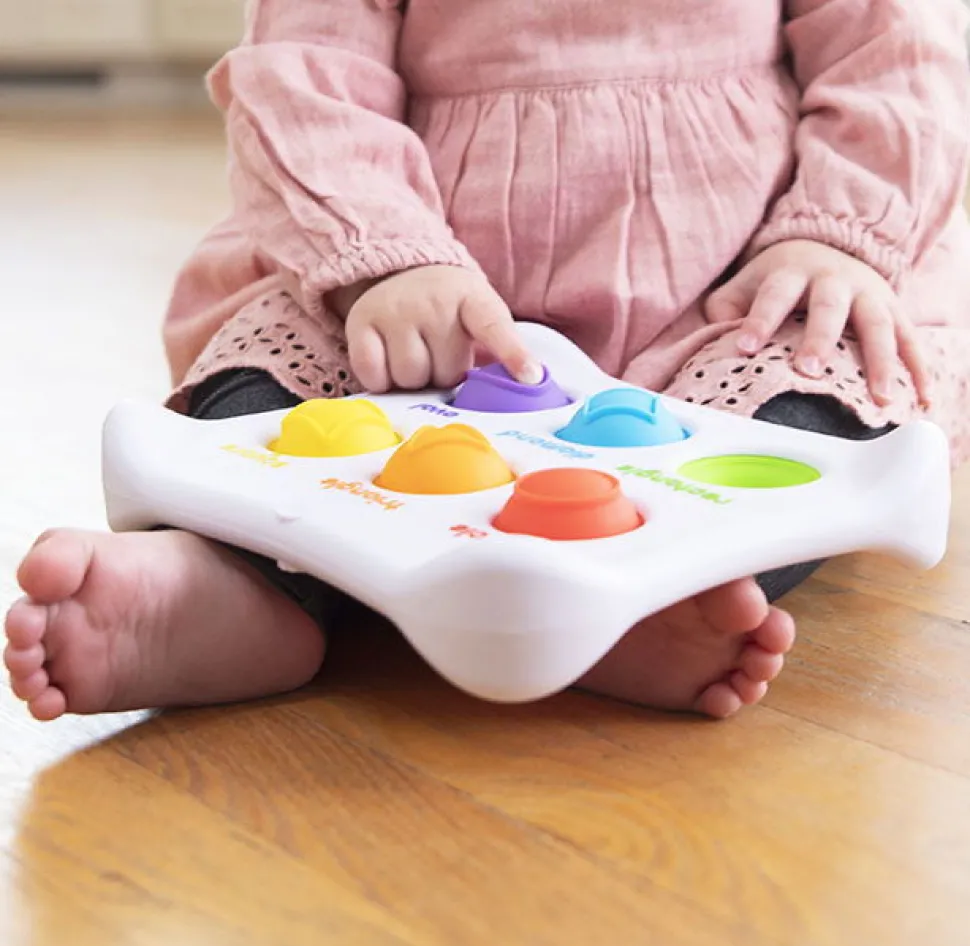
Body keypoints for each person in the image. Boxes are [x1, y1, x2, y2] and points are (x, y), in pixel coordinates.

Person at [6, 0, 970, 721]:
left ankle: (649, 593)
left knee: (828, 381)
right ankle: (243, 584)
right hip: (430, 297)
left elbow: (897, 56)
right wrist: (384, 256)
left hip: (731, 292)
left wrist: (837, 233)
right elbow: (304, 74)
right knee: (281, 367)